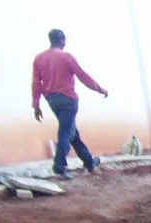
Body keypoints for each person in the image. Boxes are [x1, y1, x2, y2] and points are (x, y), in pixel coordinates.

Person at [32, 28, 108, 179]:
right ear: (62, 40)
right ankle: (59, 165)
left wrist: (36, 105)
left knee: (72, 133)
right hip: (68, 99)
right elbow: (82, 76)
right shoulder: (66, 57)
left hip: (52, 100)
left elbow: (36, 83)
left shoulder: (39, 58)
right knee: (66, 132)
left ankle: (89, 162)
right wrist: (100, 89)